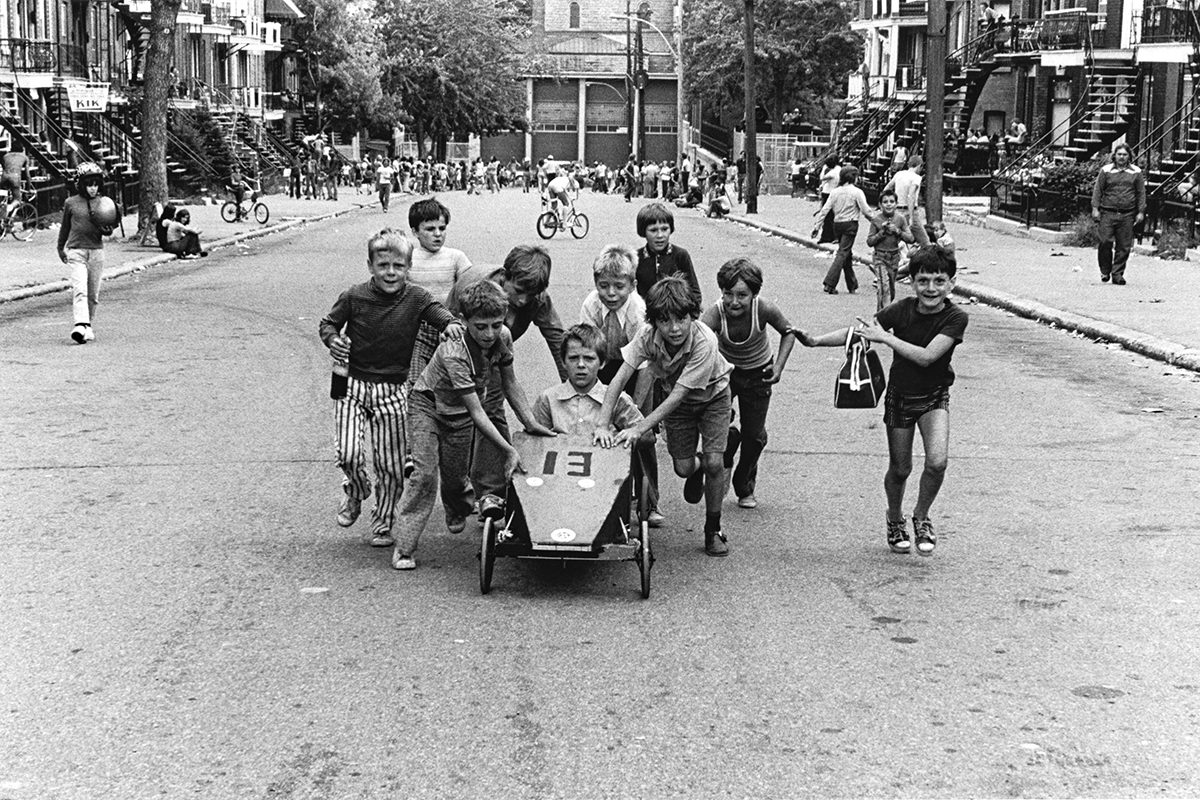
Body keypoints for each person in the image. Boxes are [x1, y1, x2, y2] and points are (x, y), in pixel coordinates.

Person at [803, 246, 967, 556]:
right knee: (900, 468)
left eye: (939, 281)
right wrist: (816, 340)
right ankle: (894, 518)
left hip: (934, 398)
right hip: (900, 398)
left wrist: (887, 338)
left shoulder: (956, 317)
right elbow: (862, 332)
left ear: (951, 283)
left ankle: (921, 516)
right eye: (923, 281)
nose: (931, 288)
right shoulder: (901, 310)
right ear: (912, 282)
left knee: (937, 461)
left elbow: (929, 357)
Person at [392, 279, 556, 570]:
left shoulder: (502, 336)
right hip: (428, 405)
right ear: (465, 321)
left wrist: (530, 422)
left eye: (495, 324)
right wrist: (508, 450)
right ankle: (404, 546)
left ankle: (457, 506)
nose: (489, 333)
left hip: (460, 415)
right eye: (481, 326)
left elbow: (510, 382)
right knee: (425, 473)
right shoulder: (454, 350)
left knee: (455, 477)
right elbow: (480, 414)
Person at [318, 229, 464, 549]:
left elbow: (438, 314)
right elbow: (328, 324)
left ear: (408, 267)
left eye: (398, 266)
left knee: (392, 465)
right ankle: (356, 492)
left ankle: (383, 521)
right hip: (351, 384)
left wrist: (451, 324)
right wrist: (334, 340)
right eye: (383, 265)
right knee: (348, 453)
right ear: (370, 265)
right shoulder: (354, 296)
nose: (390, 272)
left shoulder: (417, 297)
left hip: (394, 390)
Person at [594, 276, 734, 557]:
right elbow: (620, 377)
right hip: (680, 405)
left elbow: (677, 396)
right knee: (683, 468)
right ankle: (700, 466)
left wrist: (638, 427)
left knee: (715, 462)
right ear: (654, 321)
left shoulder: (704, 341)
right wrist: (602, 423)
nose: (674, 328)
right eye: (665, 321)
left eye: (681, 319)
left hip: (712, 398)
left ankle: (713, 529)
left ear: (692, 316)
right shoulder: (646, 335)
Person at [447, 245, 569, 505]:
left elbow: (557, 339)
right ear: (505, 277)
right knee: (463, 414)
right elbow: (448, 325)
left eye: (532, 294)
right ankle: (462, 483)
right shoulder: (474, 288)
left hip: (496, 351)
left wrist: (573, 388)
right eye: (519, 291)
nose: (524, 300)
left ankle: (491, 492)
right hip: (459, 344)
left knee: (492, 407)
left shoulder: (537, 298)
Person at [698, 258, 798, 509]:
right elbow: (697, 342)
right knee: (721, 429)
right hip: (725, 375)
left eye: (742, 295)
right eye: (727, 294)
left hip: (758, 374)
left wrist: (779, 368)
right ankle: (724, 457)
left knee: (754, 436)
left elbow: (788, 332)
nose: (734, 301)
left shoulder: (763, 309)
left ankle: (744, 484)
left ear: (754, 294)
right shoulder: (715, 313)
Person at [579, 244, 663, 526]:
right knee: (595, 423)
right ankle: (598, 491)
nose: (611, 293)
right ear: (595, 284)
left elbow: (644, 367)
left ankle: (650, 501)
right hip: (606, 364)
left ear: (632, 285)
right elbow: (586, 350)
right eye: (604, 286)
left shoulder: (638, 311)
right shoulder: (591, 304)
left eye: (619, 286)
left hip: (641, 367)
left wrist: (634, 412)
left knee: (642, 435)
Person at [533, 323, 643, 437]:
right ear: (563, 362)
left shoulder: (619, 399)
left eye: (589, 358)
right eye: (573, 358)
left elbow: (646, 437)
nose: (581, 365)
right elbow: (532, 442)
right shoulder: (548, 399)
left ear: (602, 363)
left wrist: (621, 437)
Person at [406, 198, 473, 383]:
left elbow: (470, 289)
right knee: (415, 380)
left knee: (454, 381)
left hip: (451, 329)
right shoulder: (408, 258)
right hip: (418, 331)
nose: (437, 234)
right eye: (429, 229)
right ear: (415, 231)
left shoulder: (456, 257)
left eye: (442, 228)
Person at [57, 163, 111, 344]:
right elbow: (65, 227)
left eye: (96, 184)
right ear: (81, 184)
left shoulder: (104, 203)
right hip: (76, 251)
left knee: (93, 294)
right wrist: (60, 247)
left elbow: (109, 228)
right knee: (80, 290)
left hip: (96, 251)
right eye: (89, 184)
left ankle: (88, 326)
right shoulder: (70, 203)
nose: (93, 188)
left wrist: (107, 229)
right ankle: (80, 324)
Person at [814, 165, 873, 295]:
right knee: (842, 253)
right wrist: (876, 222)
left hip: (837, 225)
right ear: (853, 177)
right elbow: (866, 210)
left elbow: (825, 209)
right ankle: (829, 283)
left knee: (847, 253)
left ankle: (852, 284)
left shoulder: (835, 192)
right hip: (850, 224)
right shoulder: (857, 192)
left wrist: (817, 226)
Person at [1091, 143, 1145, 285]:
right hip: (1108, 212)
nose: (1122, 157)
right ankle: (1105, 270)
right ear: (1114, 155)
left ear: (1129, 156)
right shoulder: (1106, 170)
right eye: (1119, 154)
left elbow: (1141, 193)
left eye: (1125, 154)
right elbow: (1098, 190)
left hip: (1127, 214)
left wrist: (1140, 212)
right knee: (1105, 242)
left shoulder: (1136, 172)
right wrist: (1095, 208)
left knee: (1124, 245)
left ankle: (1117, 274)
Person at [635, 202, 701, 301]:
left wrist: (690, 315)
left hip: (676, 314)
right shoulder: (636, 258)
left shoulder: (680, 255)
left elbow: (694, 292)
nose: (660, 235)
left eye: (665, 229)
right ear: (643, 231)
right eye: (653, 230)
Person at [868, 189, 915, 311]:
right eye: (885, 202)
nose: (888, 204)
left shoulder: (900, 219)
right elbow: (870, 241)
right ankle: (884, 318)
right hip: (880, 257)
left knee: (890, 289)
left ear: (896, 204)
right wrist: (881, 233)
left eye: (891, 201)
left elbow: (910, 238)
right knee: (884, 287)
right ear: (880, 204)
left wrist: (897, 231)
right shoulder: (876, 220)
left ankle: (880, 313)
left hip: (894, 258)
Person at [886, 155, 929, 246]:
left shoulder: (899, 174)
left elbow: (887, 188)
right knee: (924, 240)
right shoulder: (916, 178)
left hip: (897, 209)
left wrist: (886, 205)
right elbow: (911, 196)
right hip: (910, 210)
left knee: (895, 239)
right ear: (919, 166)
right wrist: (911, 217)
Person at [817, 157, 841, 243]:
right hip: (834, 192)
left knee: (827, 215)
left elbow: (822, 177)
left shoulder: (833, 172)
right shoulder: (839, 169)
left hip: (828, 193)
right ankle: (833, 236)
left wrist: (824, 169)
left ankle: (827, 236)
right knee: (832, 216)